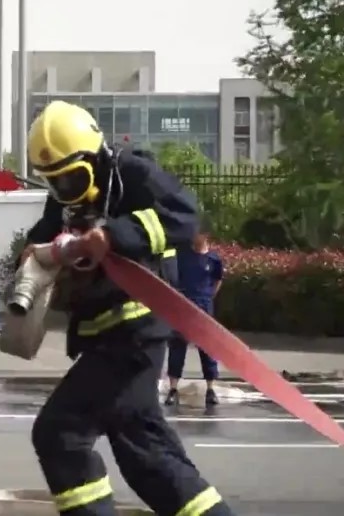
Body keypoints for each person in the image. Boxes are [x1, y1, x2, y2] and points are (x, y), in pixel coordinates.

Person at [18, 101, 232, 516]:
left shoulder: (133, 173)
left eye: (72, 177)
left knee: (61, 433)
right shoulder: (66, 198)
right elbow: (48, 230)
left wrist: (115, 235)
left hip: (136, 333)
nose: (65, 189)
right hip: (105, 335)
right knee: (146, 455)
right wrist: (34, 250)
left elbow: (184, 217)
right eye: (54, 182)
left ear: (94, 156)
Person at [165, 230, 223, 407]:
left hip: (204, 307)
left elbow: (218, 279)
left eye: (200, 234)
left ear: (206, 236)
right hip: (184, 307)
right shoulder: (183, 256)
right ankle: (173, 389)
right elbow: (173, 278)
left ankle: (210, 389)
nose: (196, 237)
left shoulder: (214, 259)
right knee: (177, 346)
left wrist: (209, 296)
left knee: (207, 348)